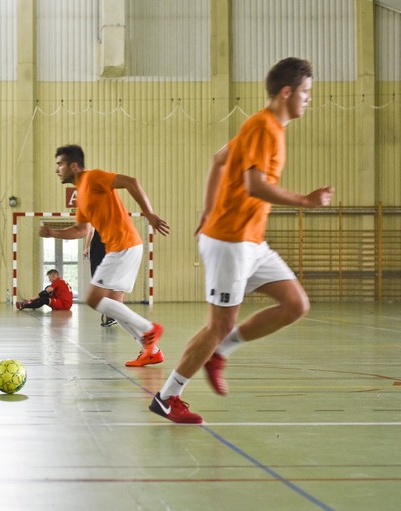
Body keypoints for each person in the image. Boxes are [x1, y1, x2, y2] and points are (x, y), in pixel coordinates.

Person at [149, 58, 333, 424]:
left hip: (250, 240)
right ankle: (167, 398)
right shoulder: (263, 127)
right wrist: (305, 201)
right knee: (217, 325)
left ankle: (221, 352)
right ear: (287, 92)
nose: (309, 99)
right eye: (306, 93)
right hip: (230, 241)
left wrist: (206, 209)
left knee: (295, 304)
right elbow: (255, 185)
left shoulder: (265, 128)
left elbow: (218, 161)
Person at [41, 144, 169, 367]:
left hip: (124, 245)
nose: (57, 170)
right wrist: (53, 232)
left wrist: (148, 213)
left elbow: (131, 182)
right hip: (123, 247)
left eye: (60, 164)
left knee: (93, 298)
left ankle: (149, 329)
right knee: (114, 305)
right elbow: (81, 230)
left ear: (73, 166)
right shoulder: (81, 196)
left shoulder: (93, 178)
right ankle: (152, 350)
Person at [83, 227, 116, 327]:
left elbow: (90, 232)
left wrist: (86, 248)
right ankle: (110, 314)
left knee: (102, 284)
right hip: (104, 251)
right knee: (104, 284)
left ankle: (111, 314)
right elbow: (91, 232)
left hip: (102, 251)